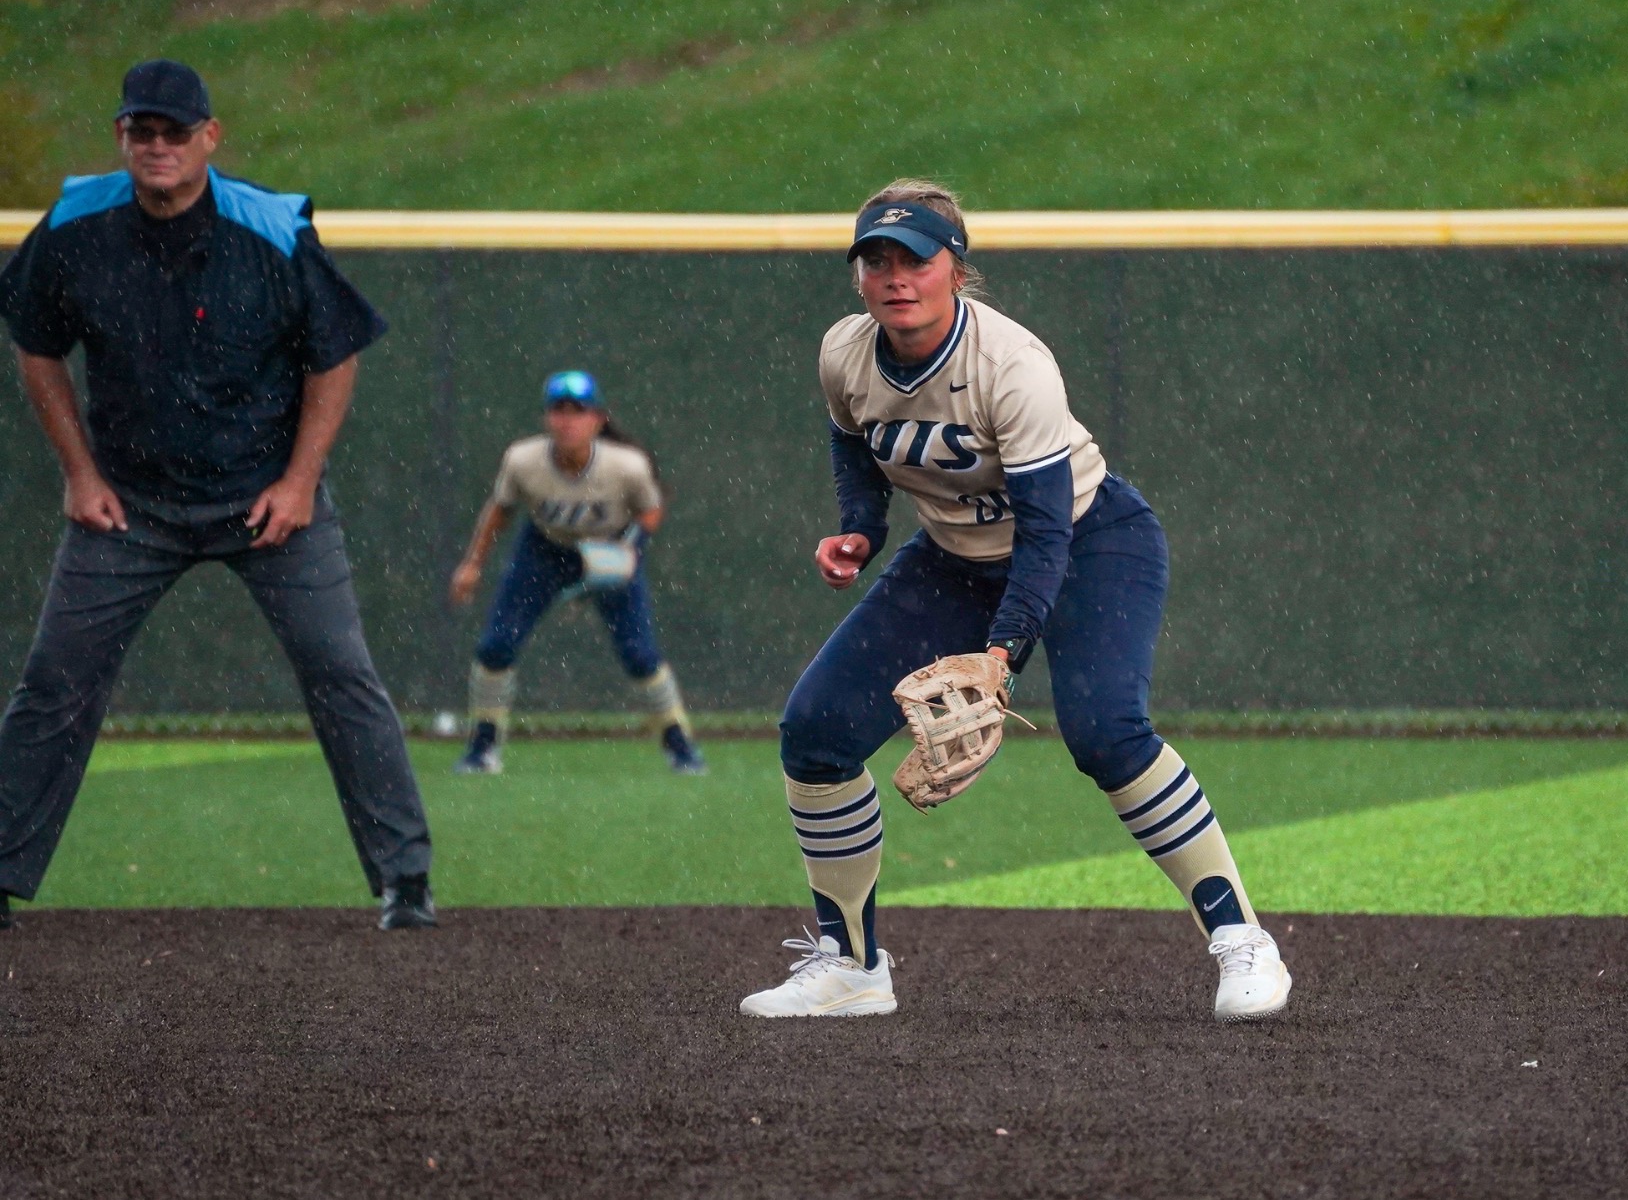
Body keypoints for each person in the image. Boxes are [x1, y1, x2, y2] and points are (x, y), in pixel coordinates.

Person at [739, 181, 1291, 1021]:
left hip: (1087, 543)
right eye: (876, 261)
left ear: (955, 267)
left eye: (915, 259)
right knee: (815, 734)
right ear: (858, 277)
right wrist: (859, 528)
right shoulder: (845, 354)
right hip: (954, 558)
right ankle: (851, 967)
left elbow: (1043, 535)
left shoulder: (1010, 365)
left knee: (1106, 732)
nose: (896, 278)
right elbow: (854, 440)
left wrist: (999, 658)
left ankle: (1242, 938)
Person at [0, 59, 434, 932]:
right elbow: (35, 343)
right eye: (142, 131)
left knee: (342, 675)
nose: (158, 147)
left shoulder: (267, 228)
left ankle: (406, 881)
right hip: (128, 507)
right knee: (54, 682)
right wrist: (78, 473)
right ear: (122, 137)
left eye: (175, 131)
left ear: (210, 138)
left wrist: (300, 482)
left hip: (265, 502)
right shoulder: (79, 221)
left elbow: (334, 355)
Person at [448, 371, 705, 775]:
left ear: (598, 419)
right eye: (558, 410)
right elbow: (500, 510)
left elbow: (651, 509)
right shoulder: (523, 460)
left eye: (578, 411)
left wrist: (630, 547)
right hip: (544, 551)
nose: (567, 420)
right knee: (497, 646)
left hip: (609, 552)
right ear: (546, 418)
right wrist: (472, 563)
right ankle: (482, 747)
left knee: (640, 655)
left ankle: (681, 746)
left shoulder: (626, 466)